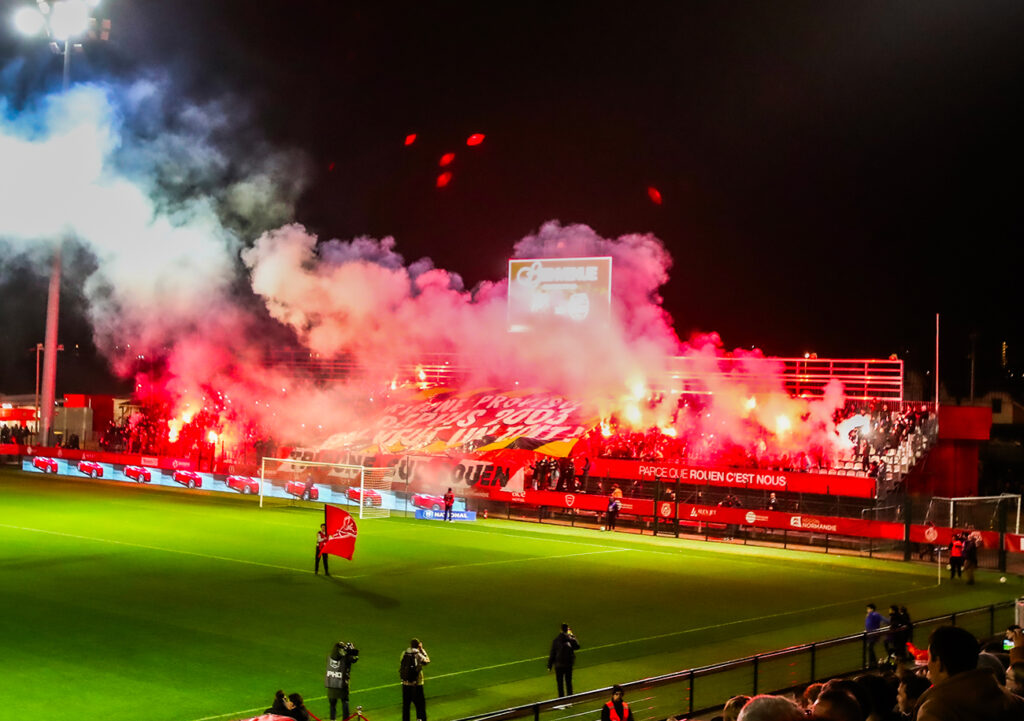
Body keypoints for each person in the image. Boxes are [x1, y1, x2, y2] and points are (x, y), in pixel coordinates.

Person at [915, 625, 1024, 720]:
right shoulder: (1012, 701)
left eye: (929, 657)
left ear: (939, 663)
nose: (927, 664)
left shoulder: (934, 711)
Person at [325, 641, 359, 721]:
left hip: (331, 683)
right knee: (345, 702)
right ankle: (345, 720)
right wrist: (351, 650)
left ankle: (332, 719)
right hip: (341, 683)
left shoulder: (329, 656)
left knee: (332, 704)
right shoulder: (346, 658)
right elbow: (354, 659)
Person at [399, 638, 430, 721]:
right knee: (420, 705)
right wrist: (422, 650)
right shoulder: (418, 654)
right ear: (418, 645)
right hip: (417, 685)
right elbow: (427, 661)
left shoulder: (404, 653)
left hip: (405, 684)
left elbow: (401, 663)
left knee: (406, 706)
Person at [547, 623, 581, 697]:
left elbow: (552, 653)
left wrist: (549, 665)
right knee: (568, 682)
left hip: (559, 665)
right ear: (567, 630)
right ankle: (570, 699)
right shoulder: (570, 639)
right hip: (568, 664)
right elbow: (577, 646)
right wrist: (572, 636)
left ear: (560, 630)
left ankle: (561, 700)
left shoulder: (556, 640)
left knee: (560, 684)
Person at [865, 603, 885, 668]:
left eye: (868, 609)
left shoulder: (873, 614)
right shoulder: (871, 615)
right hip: (871, 634)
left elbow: (883, 620)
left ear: (872, 609)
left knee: (870, 647)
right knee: (870, 647)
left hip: (873, 634)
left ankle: (872, 663)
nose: (867, 610)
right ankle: (873, 662)